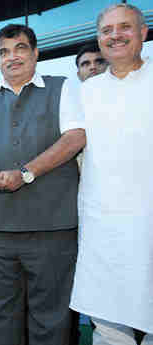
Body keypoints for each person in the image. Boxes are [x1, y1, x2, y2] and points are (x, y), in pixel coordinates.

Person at [0, 24, 85, 345]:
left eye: (20, 49)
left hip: (52, 227)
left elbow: (75, 138)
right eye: (4, 52)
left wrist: (25, 173)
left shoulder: (63, 88)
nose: (12, 57)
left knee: (51, 320)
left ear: (35, 53)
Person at [70, 4, 152, 345]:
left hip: (149, 221)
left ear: (144, 32)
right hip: (103, 225)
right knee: (107, 324)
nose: (115, 35)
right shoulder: (85, 93)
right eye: (107, 30)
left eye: (125, 27)